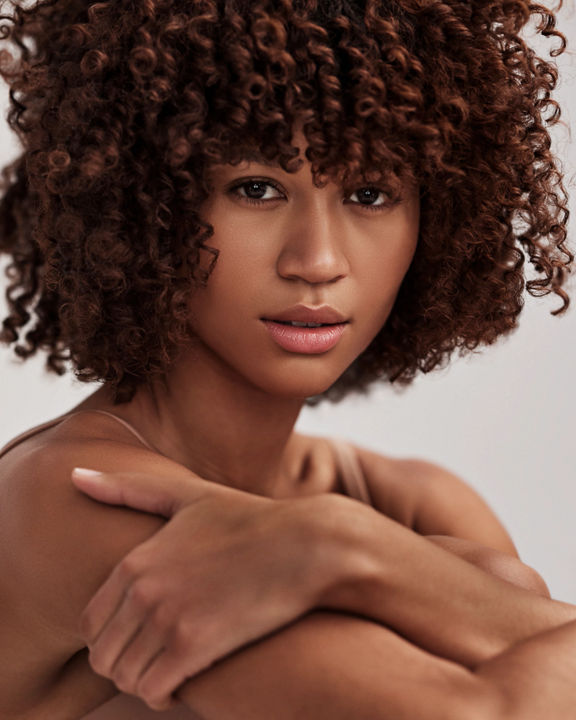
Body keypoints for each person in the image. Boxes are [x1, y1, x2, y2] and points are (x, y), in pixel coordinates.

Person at [0, 0, 574, 718]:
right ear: (147, 203)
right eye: (257, 188)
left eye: (371, 193)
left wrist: (348, 547)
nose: (319, 261)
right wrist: (393, 564)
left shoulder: (406, 503)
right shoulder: (76, 495)